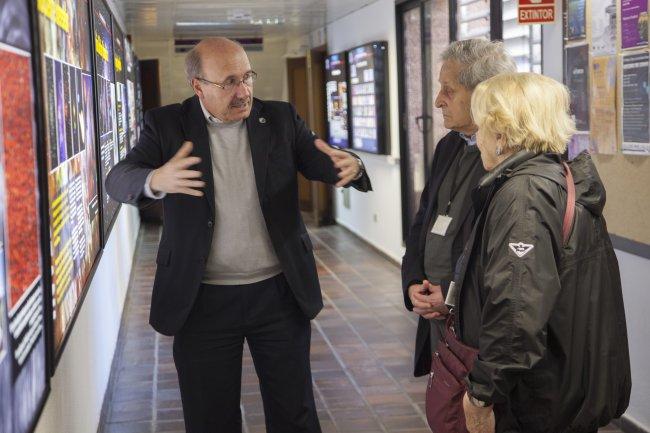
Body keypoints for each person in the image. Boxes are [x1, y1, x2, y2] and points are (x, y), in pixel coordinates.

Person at [105, 37, 372, 433]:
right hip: (202, 300)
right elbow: (117, 178)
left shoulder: (279, 118)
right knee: (210, 417)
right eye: (228, 82)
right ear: (198, 86)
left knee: (294, 413)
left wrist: (352, 164)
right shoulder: (166, 125)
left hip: (278, 294)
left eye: (247, 77)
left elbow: (321, 159)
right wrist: (156, 178)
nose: (243, 91)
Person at [454, 72, 631, 433]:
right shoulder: (558, 178)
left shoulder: (525, 196)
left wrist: (480, 395)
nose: (477, 141)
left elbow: (516, 314)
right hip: (562, 390)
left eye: (481, 129)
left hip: (534, 402)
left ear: (501, 133)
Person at [401, 39, 516, 377]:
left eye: (448, 90)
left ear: (483, 93)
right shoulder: (448, 145)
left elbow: (501, 256)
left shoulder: (508, 158)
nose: (438, 100)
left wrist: (451, 293)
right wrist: (412, 283)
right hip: (436, 315)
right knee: (449, 410)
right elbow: (422, 222)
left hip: (478, 322)